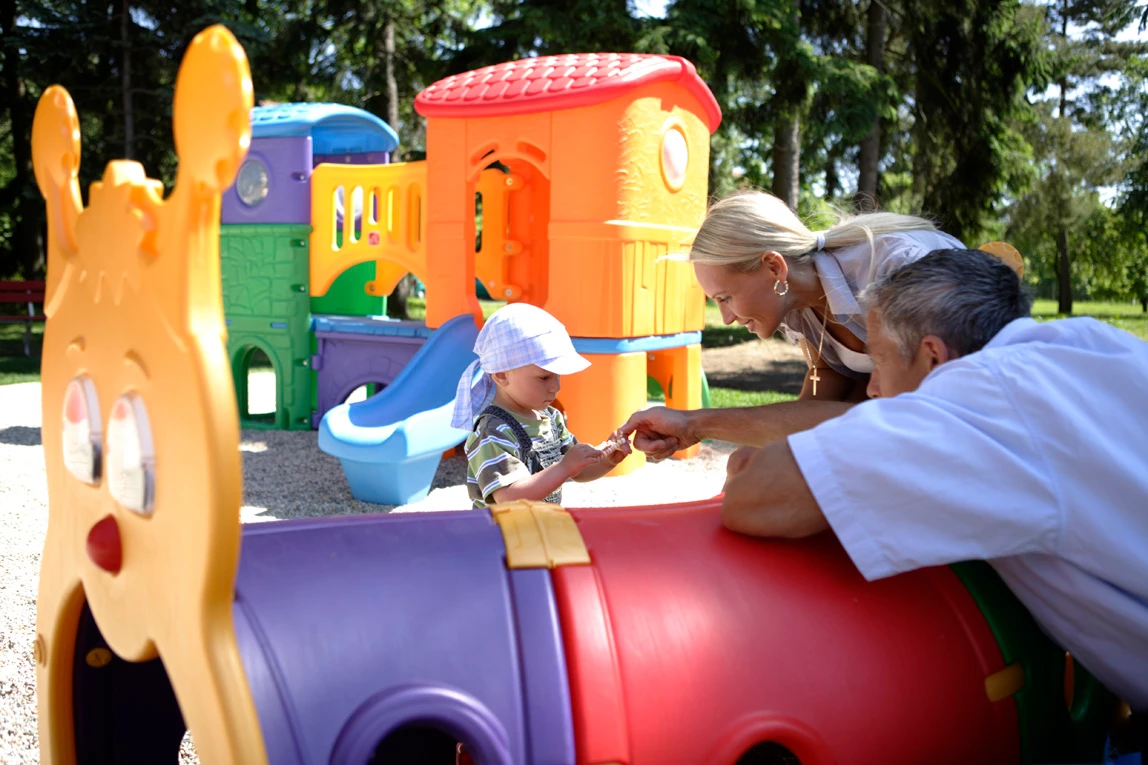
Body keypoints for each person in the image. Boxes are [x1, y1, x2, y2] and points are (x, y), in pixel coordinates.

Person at [720, 248, 1148, 715]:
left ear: (933, 358)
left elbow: (755, 498)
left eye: (880, 361)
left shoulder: (978, 402)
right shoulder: (1095, 341)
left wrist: (751, 464)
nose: (872, 389)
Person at [621, 189, 964, 458]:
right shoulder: (796, 304)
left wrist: (695, 423)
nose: (726, 318)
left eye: (725, 298)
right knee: (748, 463)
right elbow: (825, 387)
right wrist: (694, 428)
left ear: (774, 267)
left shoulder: (894, 268)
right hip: (897, 415)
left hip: (946, 423)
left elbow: (899, 416)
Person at [451, 303, 631, 509]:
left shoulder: (551, 419)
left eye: (557, 376)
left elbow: (577, 470)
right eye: (544, 377)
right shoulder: (493, 430)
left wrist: (607, 460)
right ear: (501, 375)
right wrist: (563, 467)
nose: (556, 387)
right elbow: (509, 497)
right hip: (501, 528)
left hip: (539, 524)